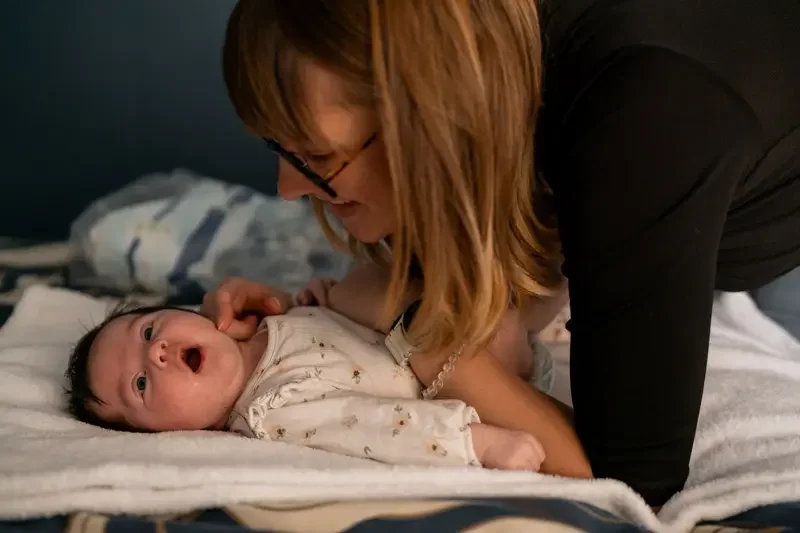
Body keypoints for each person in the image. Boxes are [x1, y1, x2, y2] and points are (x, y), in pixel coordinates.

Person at [212, 0, 800, 507]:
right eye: (278, 147)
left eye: (317, 155)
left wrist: (420, 336)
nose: (287, 188)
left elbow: (632, 478)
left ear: (433, 119)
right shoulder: (494, 58)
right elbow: (479, 291)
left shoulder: (642, 118)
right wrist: (290, 325)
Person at [63, 286, 548, 471]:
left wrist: (317, 300)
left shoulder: (268, 328)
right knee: (513, 317)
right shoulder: (272, 410)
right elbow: (374, 426)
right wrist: (475, 441)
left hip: (439, 326)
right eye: (140, 384)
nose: (156, 352)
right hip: (479, 378)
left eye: (148, 330)